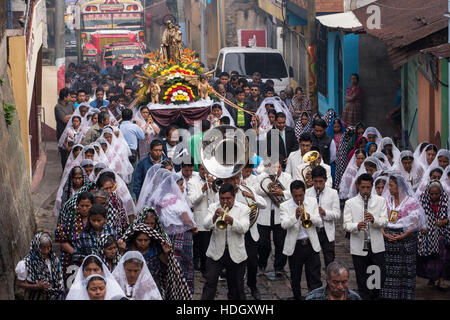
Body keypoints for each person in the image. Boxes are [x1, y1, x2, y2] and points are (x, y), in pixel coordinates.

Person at [149, 173, 198, 293]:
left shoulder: (160, 200)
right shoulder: (176, 200)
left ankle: (170, 290)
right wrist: (194, 227)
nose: (182, 188)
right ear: (173, 186)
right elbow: (186, 219)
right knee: (183, 265)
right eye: (180, 185)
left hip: (166, 237)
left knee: (170, 264)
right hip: (181, 237)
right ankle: (183, 290)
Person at [379, 174, 426, 300]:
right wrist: (384, 233)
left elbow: (414, 223)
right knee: (388, 271)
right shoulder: (386, 200)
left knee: (405, 271)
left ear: (400, 187)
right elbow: (380, 218)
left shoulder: (411, 201)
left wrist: (401, 237)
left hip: (406, 242)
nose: (389, 188)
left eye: (391, 185)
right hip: (388, 240)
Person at [201, 183, 250, 300]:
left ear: (234, 197)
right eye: (222, 198)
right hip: (216, 253)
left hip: (236, 254)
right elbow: (206, 225)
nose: (225, 202)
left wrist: (231, 220)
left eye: (228, 198)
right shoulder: (213, 207)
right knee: (210, 283)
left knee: (237, 288)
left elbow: (244, 228)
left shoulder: (244, 208)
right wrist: (214, 217)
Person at [343, 173, 388, 300]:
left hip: (376, 247)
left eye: (368, 187)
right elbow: (346, 225)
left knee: (379, 278)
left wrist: (374, 220)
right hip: (359, 247)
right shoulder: (350, 203)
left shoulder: (380, 201)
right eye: (363, 187)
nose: (365, 191)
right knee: (362, 279)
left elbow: (385, 221)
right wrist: (357, 226)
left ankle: (373, 296)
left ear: (372, 186)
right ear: (358, 186)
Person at [120, 222, 192, 300]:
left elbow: (167, 263)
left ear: (150, 240)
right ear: (135, 240)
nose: (143, 243)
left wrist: (166, 253)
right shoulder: (129, 250)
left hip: (152, 286)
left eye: (146, 240)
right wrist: (121, 251)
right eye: (139, 240)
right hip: (132, 286)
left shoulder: (155, 249)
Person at [280, 180, 322, 300]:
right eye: (296, 196)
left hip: (310, 244)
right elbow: (284, 225)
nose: (299, 198)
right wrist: (295, 217)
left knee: (314, 276)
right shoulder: (284, 206)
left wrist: (309, 217)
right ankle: (297, 297)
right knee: (295, 276)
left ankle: (314, 297)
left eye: (301, 195)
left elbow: (319, 222)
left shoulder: (312, 201)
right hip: (295, 246)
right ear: (291, 194)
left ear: (304, 193)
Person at [254, 161, 292, 276]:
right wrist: (268, 190)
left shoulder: (287, 177)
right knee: (263, 244)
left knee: (280, 243)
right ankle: (262, 265)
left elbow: (292, 192)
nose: (276, 169)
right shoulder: (262, 177)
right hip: (264, 215)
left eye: (279, 167)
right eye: (273, 167)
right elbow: (255, 190)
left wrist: (282, 192)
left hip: (280, 214)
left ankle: (279, 267)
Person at [417, 181, 450, 291]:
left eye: (437, 194)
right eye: (432, 194)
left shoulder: (446, 200)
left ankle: (441, 280)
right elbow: (419, 216)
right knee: (430, 258)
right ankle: (432, 278)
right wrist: (423, 226)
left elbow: (448, 215)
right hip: (428, 233)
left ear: (441, 193)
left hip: (442, 232)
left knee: (442, 257)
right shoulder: (423, 200)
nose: (434, 196)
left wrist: (446, 220)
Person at [306, 166, 340, 267]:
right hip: (312, 229)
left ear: (325, 180)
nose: (318, 185)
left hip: (326, 231)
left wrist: (324, 212)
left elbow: (337, 214)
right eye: (315, 181)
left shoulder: (333, 193)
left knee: (329, 259)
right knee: (313, 260)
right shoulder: (307, 193)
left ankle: (331, 282)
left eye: (321, 181)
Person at [15, 232, 65, 300]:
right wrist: (36, 286)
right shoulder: (26, 263)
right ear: (36, 247)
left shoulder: (54, 260)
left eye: (49, 247)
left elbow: (60, 279)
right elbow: (20, 283)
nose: (46, 251)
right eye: (43, 247)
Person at [187, 163, 216, 275]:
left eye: (207, 170)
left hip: (214, 217)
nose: (205, 172)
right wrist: (203, 189)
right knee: (204, 246)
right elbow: (192, 201)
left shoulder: (214, 180)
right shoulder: (192, 182)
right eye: (203, 169)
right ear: (198, 169)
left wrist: (214, 186)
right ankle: (205, 269)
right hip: (202, 219)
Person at [55, 88, 75, 168]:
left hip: (72, 133)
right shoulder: (58, 107)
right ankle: (64, 173)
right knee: (64, 155)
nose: (70, 98)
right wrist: (72, 115)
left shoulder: (71, 104)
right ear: (65, 97)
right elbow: (64, 119)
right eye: (69, 96)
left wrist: (70, 116)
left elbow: (77, 114)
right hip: (62, 134)